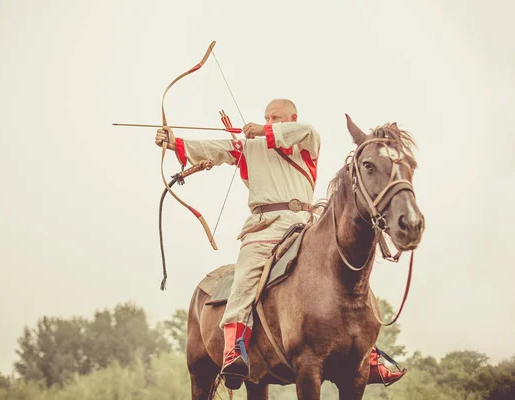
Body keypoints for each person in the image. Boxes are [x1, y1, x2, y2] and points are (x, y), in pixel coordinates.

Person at [155, 99, 405, 388]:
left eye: (276, 117)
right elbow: (215, 148)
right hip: (263, 229)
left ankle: (368, 355)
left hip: (304, 226)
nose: (270, 121)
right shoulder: (250, 147)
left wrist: (263, 129)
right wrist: (173, 141)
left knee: (347, 277)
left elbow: (308, 130)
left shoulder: (305, 142)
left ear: (291, 118)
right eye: (266, 116)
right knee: (246, 279)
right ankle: (235, 346)